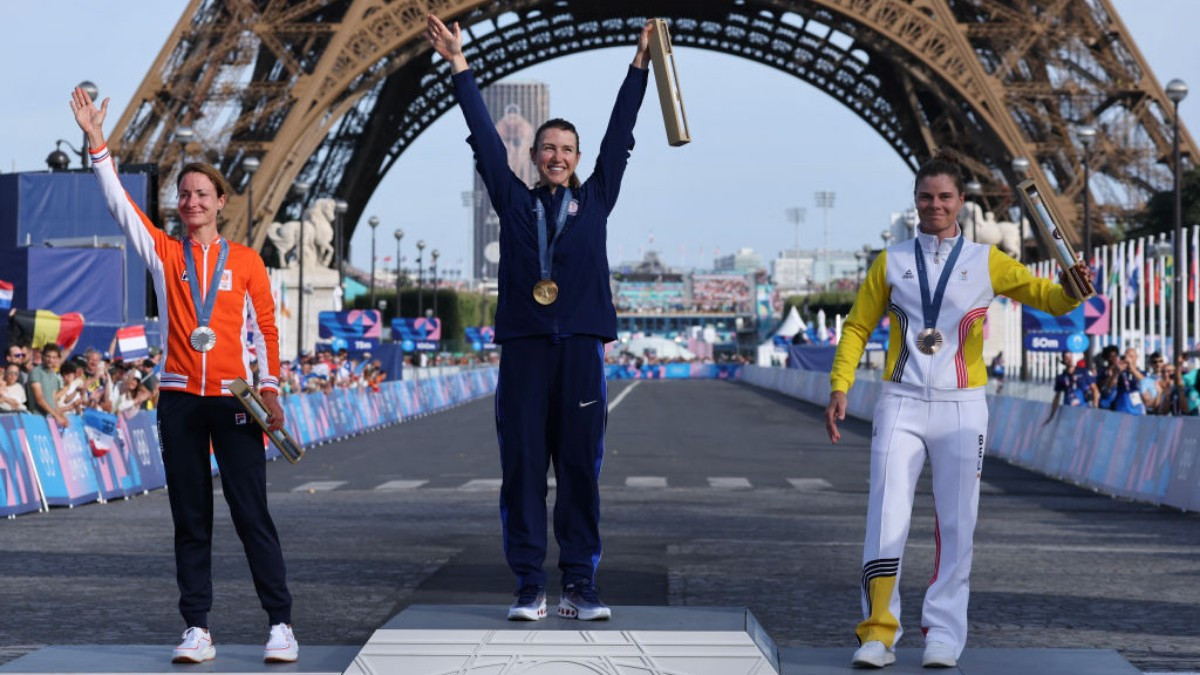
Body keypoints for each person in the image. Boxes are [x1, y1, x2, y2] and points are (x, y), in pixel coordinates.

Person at [426, 13, 654, 622]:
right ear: (533, 155)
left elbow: (621, 135)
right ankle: (530, 584)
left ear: (578, 159)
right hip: (526, 350)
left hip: (580, 349)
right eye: (547, 148)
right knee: (523, 471)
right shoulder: (513, 200)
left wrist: (640, 64)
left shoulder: (597, 197)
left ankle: (580, 584)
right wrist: (459, 64)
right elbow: (480, 136)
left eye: (566, 150)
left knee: (580, 473)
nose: (557, 156)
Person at [824, 156, 1089, 669]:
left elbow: (1050, 299)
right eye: (926, 197)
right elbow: (857, 327)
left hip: (963, 407)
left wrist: (1073, 287)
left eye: (945, 197)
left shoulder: (988, 261)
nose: (935, 206)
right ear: (915, 200)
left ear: (960, 202)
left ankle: (943, 634)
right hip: (900, 401)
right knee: (886, 519)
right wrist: (841, 385)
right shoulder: (891, 260)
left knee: (957, 522)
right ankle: (877, 632)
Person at [71, 86, 297, 664]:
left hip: (236, 399)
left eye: (202, 193)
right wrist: (97, 141)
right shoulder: (165, 254)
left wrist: (268, 391)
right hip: (179, 400)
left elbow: (265, 333)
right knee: (190, 519)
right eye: (184, 194)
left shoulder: (246, 263)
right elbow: (119, 203)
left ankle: (280, 623)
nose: (192, 201)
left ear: (221, 201)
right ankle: (197, 627)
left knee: (252, 515)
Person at [28, 344, 69, 428]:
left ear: (58, 359)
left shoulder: (54, 375)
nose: (50, 360)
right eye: (48, 356)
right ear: (42, 356)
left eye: (54, 357)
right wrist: (56, 416)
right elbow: (39, 399)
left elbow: (53, 400)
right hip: (37, 419)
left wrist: (60, 415)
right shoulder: (36, 372)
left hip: (50, 420)